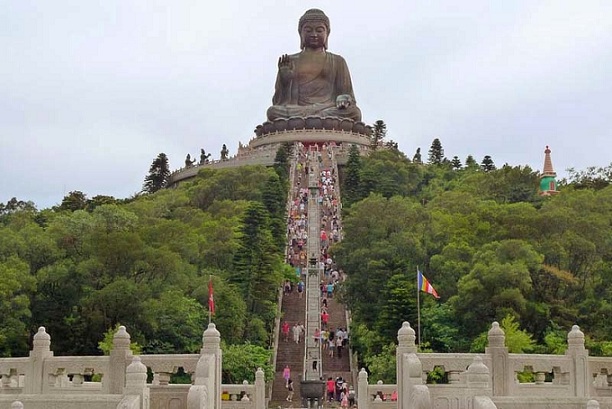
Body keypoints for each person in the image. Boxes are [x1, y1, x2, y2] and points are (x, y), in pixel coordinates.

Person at [266, 9, 362, 122]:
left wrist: (344, 98)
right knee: (273, 112)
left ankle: (312, 119)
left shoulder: (337, 61)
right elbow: (279, 102)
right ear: (300, 33)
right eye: (308, 30)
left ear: (328, 33)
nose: (314, 34)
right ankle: (314, 119)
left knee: (354, 113)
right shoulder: (290, 61)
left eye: (319, 30)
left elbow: (346, 94)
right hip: (297, 110)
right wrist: (286, 81)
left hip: (328, 108)